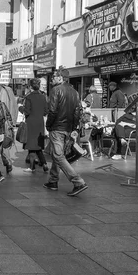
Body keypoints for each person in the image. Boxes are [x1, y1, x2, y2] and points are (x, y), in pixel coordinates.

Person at [43, 67, 88, 196]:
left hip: (57, 127)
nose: (52, 79)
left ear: (60, 78)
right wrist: (73, 128)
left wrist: (49, 124)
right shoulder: (75, 92)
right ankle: (53, 180)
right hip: (68, 128)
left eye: (54, 77)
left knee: (58, 156)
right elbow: (77, 111)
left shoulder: (56, 90)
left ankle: (78, 181)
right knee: (58, 153)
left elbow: (52, 110)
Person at [20, 78, 49, 173]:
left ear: (30, 86)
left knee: (32, 145)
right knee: (38, 145)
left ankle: (32, 167)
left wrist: (20, 108)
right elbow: (45, 111)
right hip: (40, 122)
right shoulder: (43, 97)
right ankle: (44, 163)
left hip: (31, 123)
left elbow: (27, 111)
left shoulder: (29, 97)